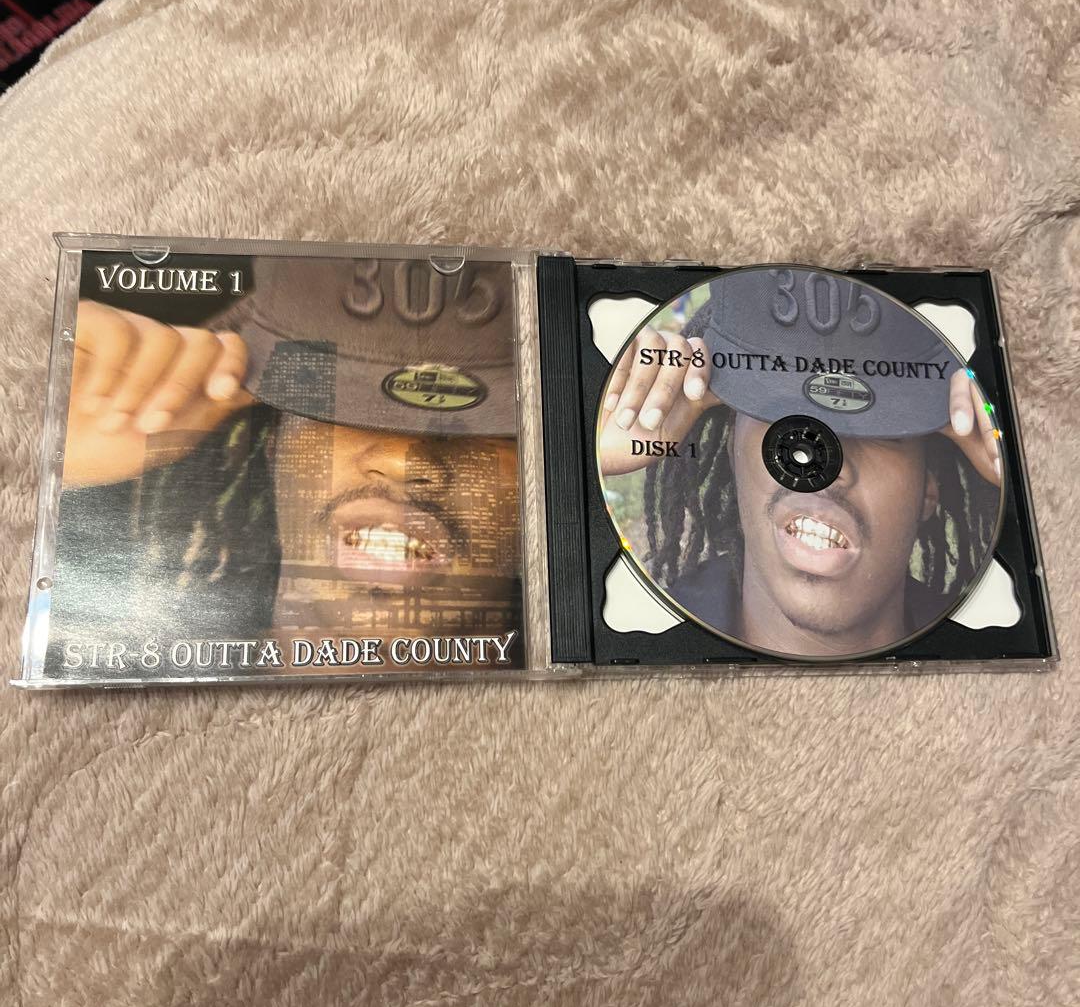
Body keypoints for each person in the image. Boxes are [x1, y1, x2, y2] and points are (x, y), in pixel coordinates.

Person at [47, 254, 524, 678]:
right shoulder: (105, 686)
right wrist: (49, 468)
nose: (400, 459)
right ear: (274, 442)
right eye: (337, 409)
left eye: (493, 428)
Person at [597, 269, 1002, 659]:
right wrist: (583, 449)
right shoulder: (641, 640)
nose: (826, 467)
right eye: (783, 417)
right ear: (734, 448)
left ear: (929, 485)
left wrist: (1020, 473)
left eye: (880, 430)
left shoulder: (994, 647)